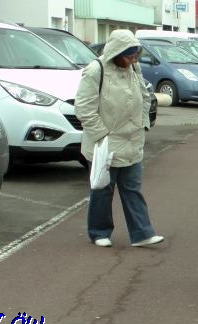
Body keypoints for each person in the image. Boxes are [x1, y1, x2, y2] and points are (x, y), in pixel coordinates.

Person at [75, 29, 163, 248]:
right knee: (102, 190)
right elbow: (83, 108)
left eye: (136, 56)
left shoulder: (135, 67)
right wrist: (102, 135)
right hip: (105, 143)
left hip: (132, 141)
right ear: (116, 52)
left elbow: (144, 96)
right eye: (129, 55)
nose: (133, 60)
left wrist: (142, 124)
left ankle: (142, 233)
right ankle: (99, 232)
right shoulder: (96, 70)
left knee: (133, 189)